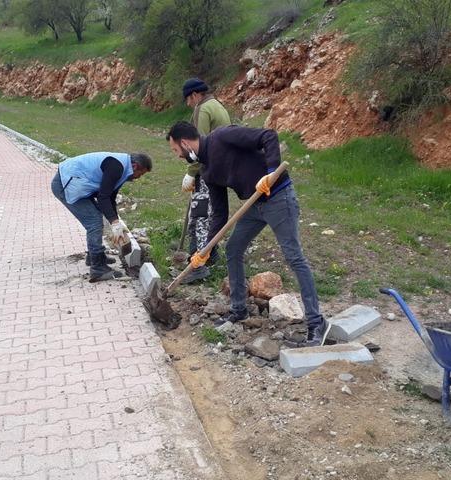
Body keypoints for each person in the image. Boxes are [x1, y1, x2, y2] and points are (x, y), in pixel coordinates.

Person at [166, 121, 327, 347]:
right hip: (253, 206)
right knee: (233, 249)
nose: (178, 156)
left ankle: (316, 322)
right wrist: (207, 248)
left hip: (278, 197)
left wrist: (271, 172)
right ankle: (238, 309)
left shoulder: (223, 137)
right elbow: (220, 214)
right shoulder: (207, 170)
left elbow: (268, 136)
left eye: (175, 150)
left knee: (293, 257)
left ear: (184, 143)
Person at [51, 152, 152, 282]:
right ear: (135, 166)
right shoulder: (116, 167)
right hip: (65, 184)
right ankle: (98, 269)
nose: (139, 177)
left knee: (96, 217)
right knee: (94, 222)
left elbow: (110, 196)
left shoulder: (122, 167)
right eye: (141, 173)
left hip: (76, 181)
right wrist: (114, 223)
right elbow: (102, 197)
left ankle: (94, 257)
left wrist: (116, 221)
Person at [180, 78, 231, 284]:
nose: (188, 104)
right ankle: (213, 254)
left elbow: (197, 145)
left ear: (194, 95)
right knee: (213, 213)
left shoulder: (203, 109)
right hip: (221, 167)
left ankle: (198, 264)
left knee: (200, 215)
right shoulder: (217, 104)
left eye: (188, 99)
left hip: (208, 169)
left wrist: (191, 172)